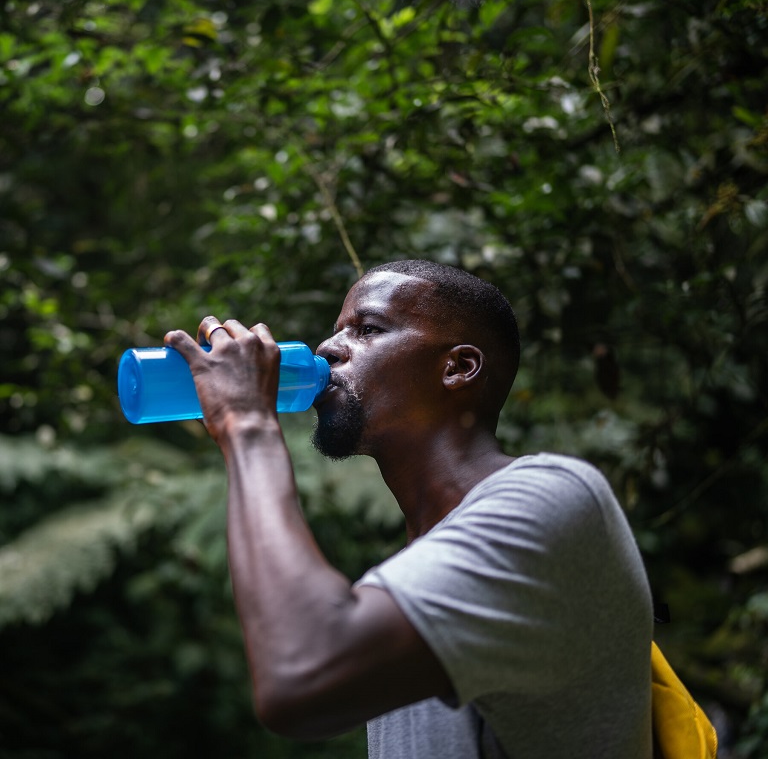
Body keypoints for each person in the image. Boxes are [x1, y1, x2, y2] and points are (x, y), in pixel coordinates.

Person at [165, 260, 653, 758]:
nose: (327, 348)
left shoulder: (557, 497)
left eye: (368, 329)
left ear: (458, 368)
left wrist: (247, 425)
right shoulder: (401, 592)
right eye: (336, 332)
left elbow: (299, 674)